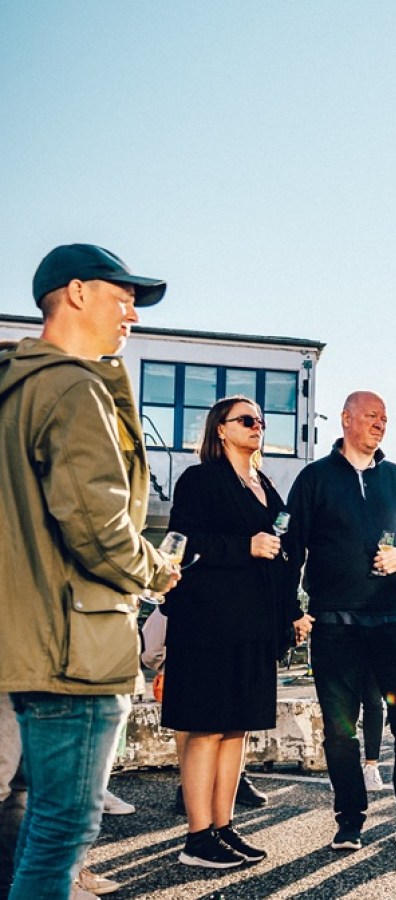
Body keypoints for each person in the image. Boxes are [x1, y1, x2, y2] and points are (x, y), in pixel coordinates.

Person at [0, 244, 179, 899]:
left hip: (23, 642)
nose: (130, 311)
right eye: (120, 294)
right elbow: (96, 525)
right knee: (62, 832)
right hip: (74, 647)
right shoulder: (73, 386)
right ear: (74, 293)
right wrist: (156, 570)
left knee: (28, 828)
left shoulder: (15, 384)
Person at [286, 391, 396, 852]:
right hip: (333, 623)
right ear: (346, 420)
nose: (381, 424)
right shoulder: (314, 479)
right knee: (341, 730)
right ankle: (349, 819)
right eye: (371, 416)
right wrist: (292, 609)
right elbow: (291, 550)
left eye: (385, 418)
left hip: (390, 620)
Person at [161, 395, 312, 869]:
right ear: (220, 429)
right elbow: (182, 543)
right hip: (207, 622)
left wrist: (291, 611)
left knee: (236, 728)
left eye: (261, 421)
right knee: (206, 727)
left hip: (253, 622)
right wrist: (243, 545)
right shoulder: (200, 478)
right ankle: (196, 837)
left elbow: (286, 552)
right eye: (246, 420)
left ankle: (222, 827)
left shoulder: (264, 484)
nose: (257, 426)